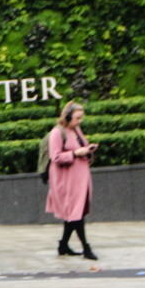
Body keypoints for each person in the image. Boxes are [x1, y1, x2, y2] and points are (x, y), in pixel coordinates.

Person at [45, 101, 98, 260]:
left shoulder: (77, 130)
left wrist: (87, 151)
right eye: (77, 118)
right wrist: (76, 153)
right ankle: (86, 248)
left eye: (81, 118)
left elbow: (81, 150)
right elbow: (55, 156)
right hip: (66, 181)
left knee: (74, 213)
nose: (79, 121)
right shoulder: (57, 132)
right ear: (68, 116)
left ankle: (63, 245)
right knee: (76, 214)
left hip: (80, 179)